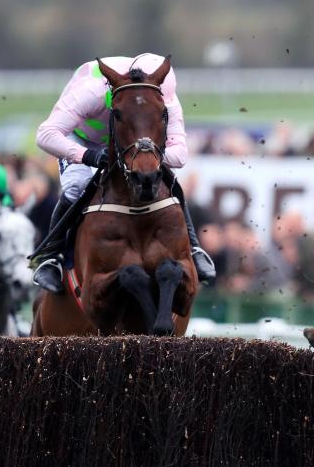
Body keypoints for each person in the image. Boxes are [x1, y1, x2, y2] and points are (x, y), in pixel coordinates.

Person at [29, 53, 216, 293]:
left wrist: (144, 156)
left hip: (131, 146)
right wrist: (87, 156)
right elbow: (45, 134)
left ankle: (194, 247)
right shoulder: (93, 92)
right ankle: (50, 257)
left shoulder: (166, 99)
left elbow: (179, 155)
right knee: (77, 186)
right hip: (81, 139)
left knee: (165, 177)